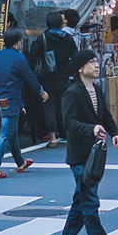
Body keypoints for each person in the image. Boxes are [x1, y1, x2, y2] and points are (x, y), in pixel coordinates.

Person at [59, 49, 118, 235]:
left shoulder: (96, 88)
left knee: (81, 199)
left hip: (93, 154)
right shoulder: (72, 92)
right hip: (79, 155)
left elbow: (104, 114)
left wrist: (114, 133)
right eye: (91, 62)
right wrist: (91, 129)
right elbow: (68, 122)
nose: (96, 65)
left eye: (97, 61)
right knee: (89, 201)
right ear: (80, 68)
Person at [0, 28, 47, 177]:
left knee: (11, 131)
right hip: (12, 97)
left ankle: (20, 162)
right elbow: (29, 77)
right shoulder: (19, 58)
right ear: (17, 42)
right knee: (6, 132)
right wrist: (41, 91)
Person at [32, 10, 77, 147]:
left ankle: (52, 138)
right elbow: (75, 57)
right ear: (60, 23)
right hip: (63, 76)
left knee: (49, 106)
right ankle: (67, 133)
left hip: (47, 77)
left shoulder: (42, 39)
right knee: (65, 105)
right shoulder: (68, 38)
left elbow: (33, 57)